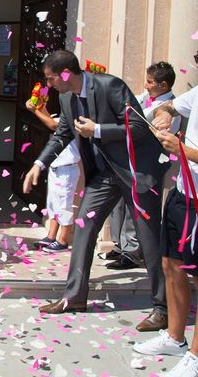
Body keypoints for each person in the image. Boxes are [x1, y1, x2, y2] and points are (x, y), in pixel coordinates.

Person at [23, 50, 168, 332]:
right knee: (85, 226)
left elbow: (139, 127)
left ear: (66, 73)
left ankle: (162, 308)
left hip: (137, 171)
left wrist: (98, 129)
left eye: (51, 78)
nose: (49, 84)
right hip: (103, 175)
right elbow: (63, 133)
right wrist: (39, 163)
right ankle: (74, 297)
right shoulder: (66, 98)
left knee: (147, 238)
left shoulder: (109, 85)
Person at [133, 60, 198, 377]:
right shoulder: (197, 93)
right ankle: (175, 337)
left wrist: (183, 150)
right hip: (183, 191)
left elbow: (187, 149)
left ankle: (197, 358)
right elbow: (173, 104)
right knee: (170, 263)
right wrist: (164, 113)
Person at [104, 62, 180, 271]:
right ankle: (120, 245)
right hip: (126, 158)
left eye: (150, 82)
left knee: (136, 206)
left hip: (146, 163)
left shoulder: (172, 108)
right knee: (120, 203)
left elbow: (155, 133)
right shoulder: (145, 98)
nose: (145, 86)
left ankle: (133, 251)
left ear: (163, 85)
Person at [25, 98, 80, 253]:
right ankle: (51, 236)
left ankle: (62, 241)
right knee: (53, 204)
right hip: (56, 167)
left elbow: (53, 125)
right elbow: (51, 120)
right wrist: (41, 106)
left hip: (67, 168)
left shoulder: (74, 118)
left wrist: (34, 111)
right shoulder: (64, 117)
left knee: (64, 206)